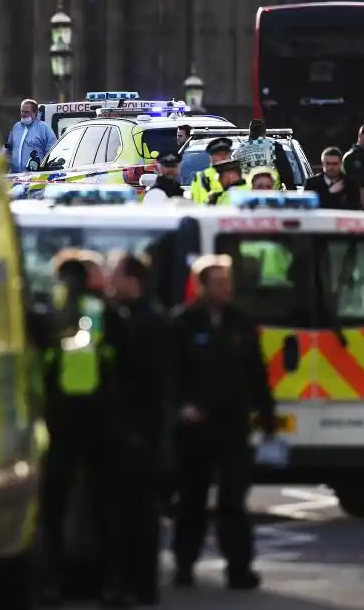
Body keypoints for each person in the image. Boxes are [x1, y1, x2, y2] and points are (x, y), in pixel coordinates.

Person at [171, 254, 276, 590]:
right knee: (192, 499)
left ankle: (239, 567)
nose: (225, 289)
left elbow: (256, 372)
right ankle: (185, 564)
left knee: (234, 500)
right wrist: (181, 407)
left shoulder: (240, 323)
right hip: (196, 428)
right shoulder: (183, 323)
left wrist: (266, 413)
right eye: (217, 283)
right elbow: (169, 375)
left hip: (232, 425)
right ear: (201, 287)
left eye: (227, 282)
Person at [39, 249, 110, 605]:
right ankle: (88, 579)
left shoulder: (48, 310)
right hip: (91, 420)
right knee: (92, 505)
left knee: (54, 507)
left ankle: (55, 579)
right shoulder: (97, 311)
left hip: (57, 418)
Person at [100, 253, 171, 607]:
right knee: (131, 514)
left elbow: (144, 380)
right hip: (135, 432)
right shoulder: (137, 316)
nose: (111, 282)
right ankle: (134, 584)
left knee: (136, 515)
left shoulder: (146, 321)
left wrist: (137, 432)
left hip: (139, 434)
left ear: (133, 280)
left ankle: (137, 585)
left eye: (115, 275)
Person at [233, 118, 296, 191]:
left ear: (250, 133)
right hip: (272, 195)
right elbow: (286, 174)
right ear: (264, 133)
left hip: (248, 196)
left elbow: (235, 178)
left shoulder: (239, 150)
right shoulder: (273, 146)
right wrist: (292, 192)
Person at [4, 98, 57, 174]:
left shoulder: (43, 128)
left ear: (35, 113)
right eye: (22, 111)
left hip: (35, 177)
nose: (23, 114)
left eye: (27, 112)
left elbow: (51, 151)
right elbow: (8, 145)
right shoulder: (16, 127)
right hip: (15, 176)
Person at [190, 137, 233, 204]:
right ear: (211, 158)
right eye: (219, 154)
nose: (223, 157)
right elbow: (194, 204)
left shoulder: (239, 176)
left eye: (226, 153)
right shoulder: (200, 178)